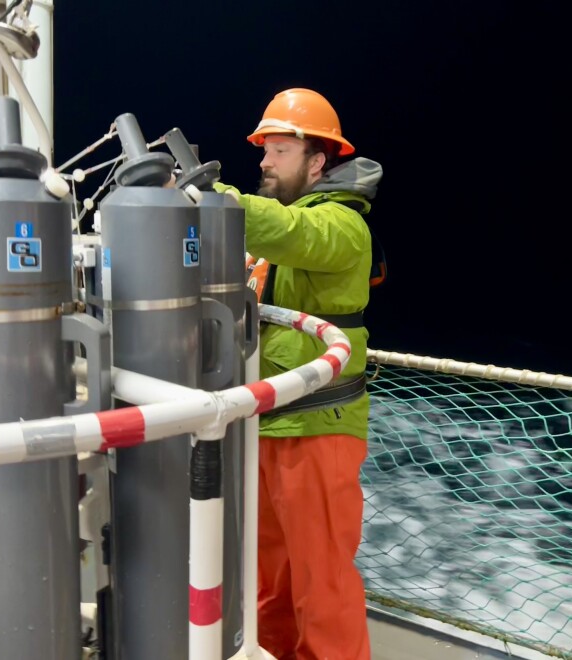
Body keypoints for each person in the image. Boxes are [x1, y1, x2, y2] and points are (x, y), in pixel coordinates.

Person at [214, 87, 383, 660]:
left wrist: (208, 200)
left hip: (319, 430)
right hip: (270, 426)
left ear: (318, 161)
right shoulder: (283, 232)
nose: (263, 160)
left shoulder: (341, 227)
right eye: (264, 149)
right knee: (272, 587)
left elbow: (289, 233)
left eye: (279, 149)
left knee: (322, 588)